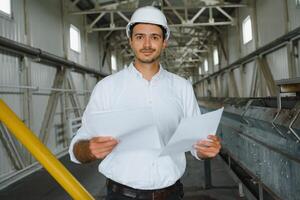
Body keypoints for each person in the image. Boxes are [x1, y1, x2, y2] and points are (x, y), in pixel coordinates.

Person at [69, 6, 221, 200]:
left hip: (171, 194)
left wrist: (206, 149)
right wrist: (89, 149)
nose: (147, 44)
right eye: (140, 37)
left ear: (164, 42)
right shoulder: (107, 87)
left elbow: (195, 143)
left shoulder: (182, 87)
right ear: (131, 40)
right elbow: (77, 146)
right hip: (121, 195)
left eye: (155, 37)